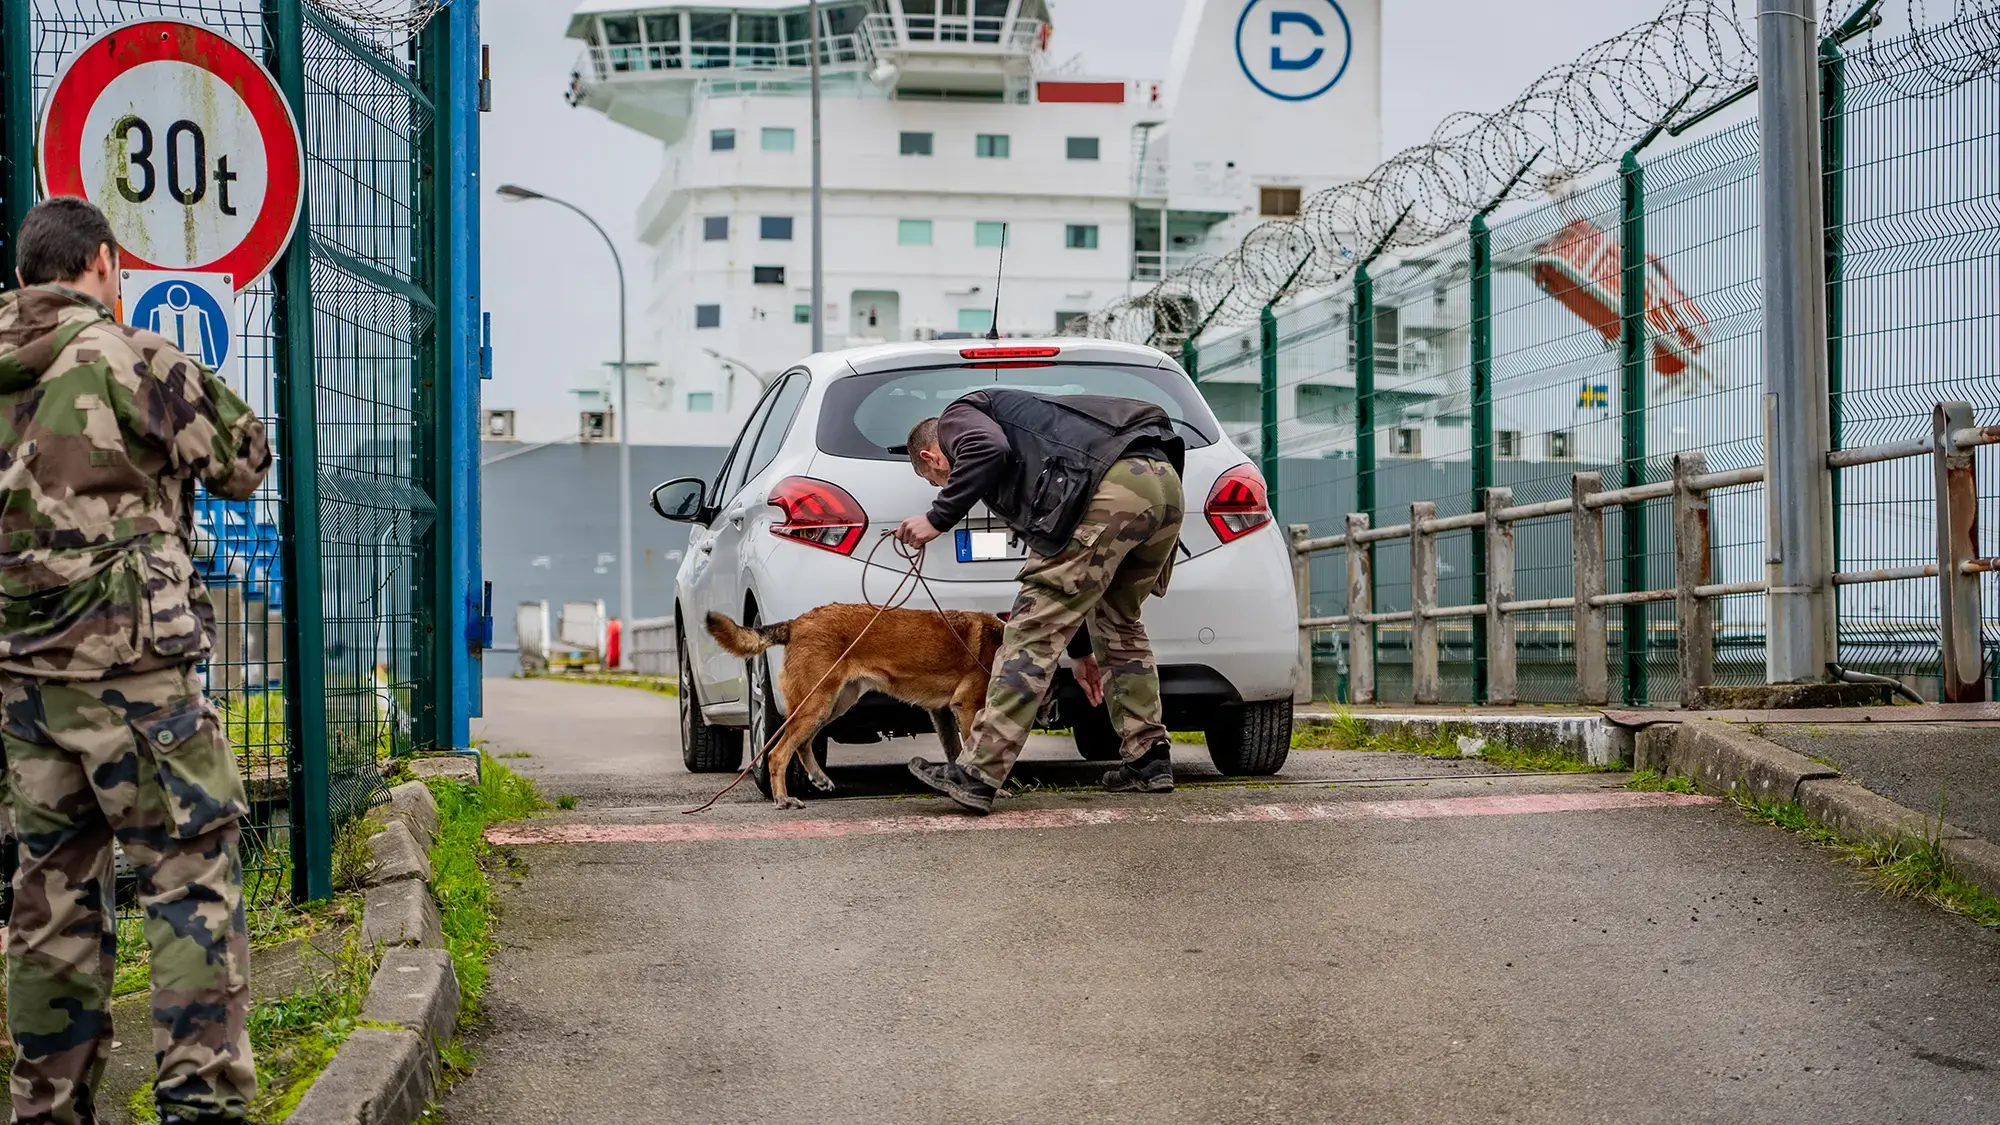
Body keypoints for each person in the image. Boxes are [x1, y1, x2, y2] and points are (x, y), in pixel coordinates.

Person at [0, 197, 270, 1124]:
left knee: (49, 900)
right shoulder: (130, 357)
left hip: (23, 684)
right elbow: (244, 457)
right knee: (186, 872)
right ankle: (200, 1103)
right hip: (137, 675)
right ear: (104, 264)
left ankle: (47, 1107)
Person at [895, 388, 1185, 813]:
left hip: (1107, 488)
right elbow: (1078, 589)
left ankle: (978, 773)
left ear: (931, 457)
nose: (947, 483)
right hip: (1162, 483)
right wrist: (1082, 650)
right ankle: (1148, 758)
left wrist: (937, 517)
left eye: (937, 479)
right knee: (1119, 621)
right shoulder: (1030, 438)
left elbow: (986, 449)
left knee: (1029, 636)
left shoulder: (959, 416)